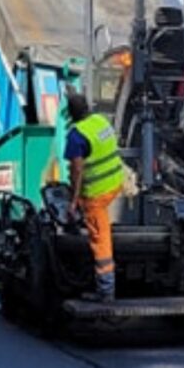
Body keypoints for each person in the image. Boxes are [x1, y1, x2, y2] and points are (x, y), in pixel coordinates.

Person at [64, 91, 124, 302]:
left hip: (97, 195)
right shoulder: (100, 120)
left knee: (101, 240)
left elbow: (76, 172)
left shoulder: (76, 135)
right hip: (116, 183)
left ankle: (106, 291)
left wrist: (73, 202)